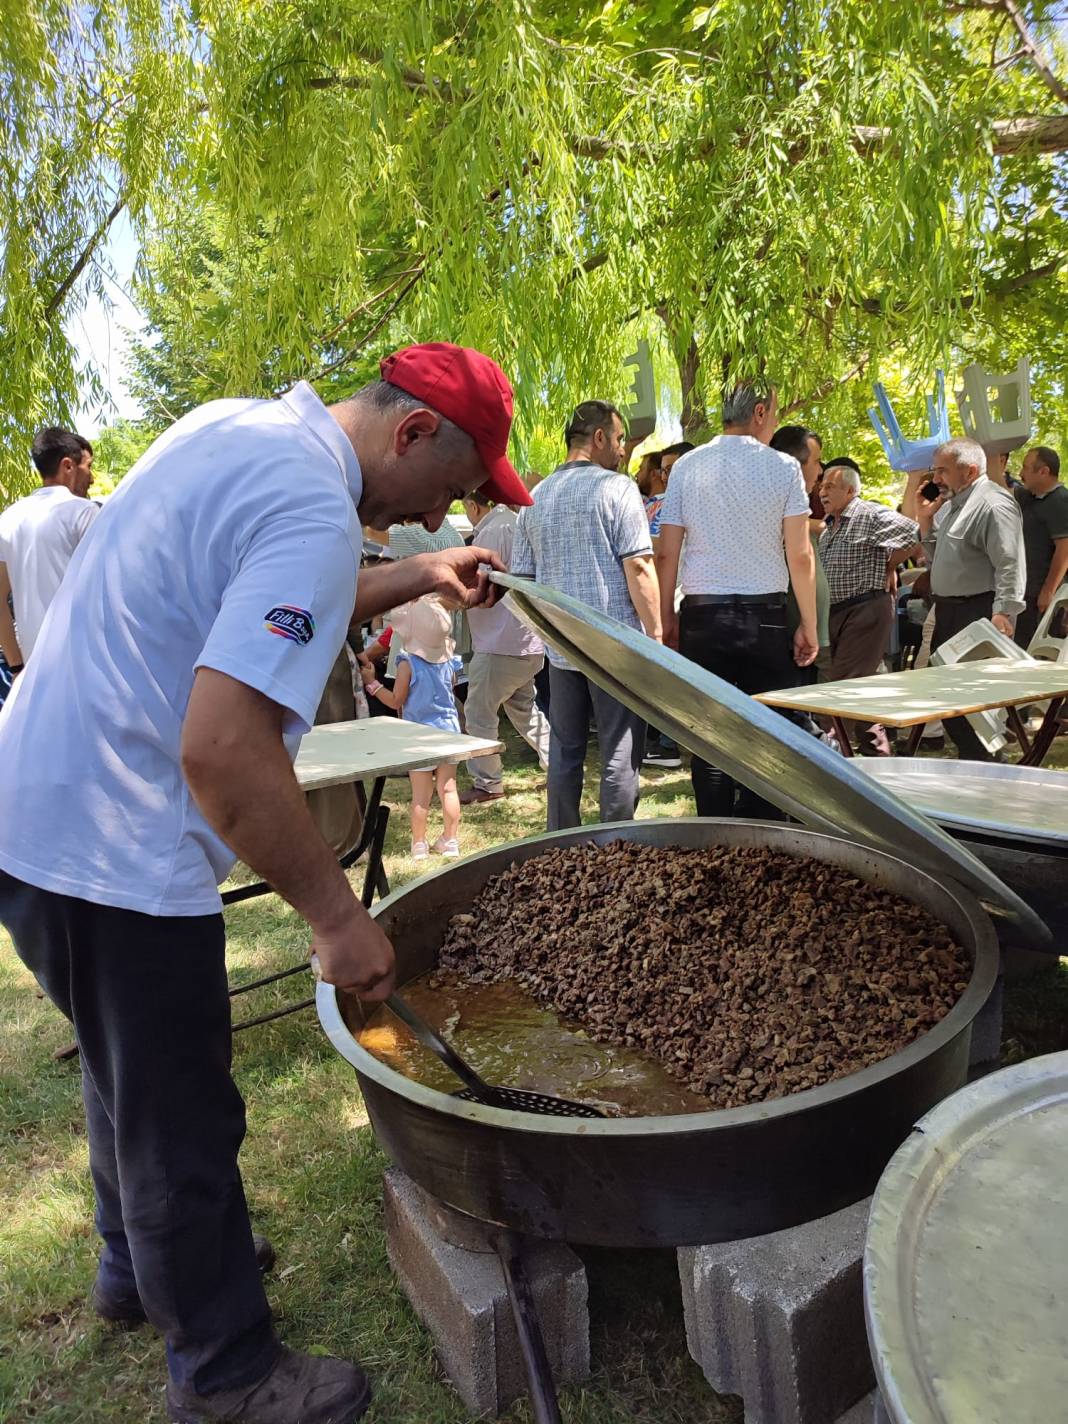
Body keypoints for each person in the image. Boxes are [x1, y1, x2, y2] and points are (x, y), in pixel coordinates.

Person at [0, 341, 528, 1424]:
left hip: (35, 810)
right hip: (114, 838)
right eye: (457, 490)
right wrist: (337, 917)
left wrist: (420, 575)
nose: (450, 515)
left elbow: (277, 582)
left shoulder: (237, 431)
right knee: (182, 1113)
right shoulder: (307, 501)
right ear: (414, 431)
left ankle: (129, 1269)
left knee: (123, 1075)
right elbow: (225, 749)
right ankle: (227, 1376)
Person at [656, 381, 818, 817]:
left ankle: (714, 832)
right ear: (760, 412)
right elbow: (800, 555)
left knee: (709, 734)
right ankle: (763, 838)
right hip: (764, 615)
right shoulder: (784, 467)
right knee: (767, 732)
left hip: (703, 616)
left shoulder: (688, 465)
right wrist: (809, 622)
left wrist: (665, 618)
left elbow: (667, 549)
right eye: (776, 415)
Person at [510, 399, 662, 830]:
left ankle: (560, 843)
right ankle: (615, 845)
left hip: (561, 648)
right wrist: (655, 635)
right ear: (598, 438)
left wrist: (548, 633)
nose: (620, 449)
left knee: (565, 749)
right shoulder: (617, 488)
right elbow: (638, 565)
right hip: (614, 646)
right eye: (617, 439)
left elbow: (523, 580)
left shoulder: (534, 497)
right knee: (618, 749)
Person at [919, 436, 1025, 760]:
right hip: (949, 611)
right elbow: (941, 559)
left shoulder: (993, 504)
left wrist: (1004, 613)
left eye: (942, 471)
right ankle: (979, 760)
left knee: (974, 701)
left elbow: (1009, 562)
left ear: (969, 470)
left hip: (978, 612)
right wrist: (925, 523)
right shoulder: (955, 504)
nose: (935, 479)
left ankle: (990, 765)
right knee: (946, 697)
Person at [818, 463, 921, 755]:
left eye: (830, 486)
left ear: (850, 490)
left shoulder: (869, 514)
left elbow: (913, 533)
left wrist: (891, 565)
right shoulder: (830, 526)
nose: (822, 491)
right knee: (862, 689)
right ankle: (878, 755)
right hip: (838, 614)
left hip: (865, 609)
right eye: (821, 485)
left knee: (841, 687)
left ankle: (827, 753)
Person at [457, 489, 550, 804]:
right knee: (524, 710)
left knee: (478, 712)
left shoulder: (496, 529)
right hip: (520, 639)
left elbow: (484, 587)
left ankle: (487, 783)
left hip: (502, 641)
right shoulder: (508, 523)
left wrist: (450, 598)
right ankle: (558, 766)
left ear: (473, 505)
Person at [362, 595, 463, 858]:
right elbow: (449, 690)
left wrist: (373, 684)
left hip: (419, 734)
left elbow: (396, 699)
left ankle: (419, 844)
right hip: (449, 730)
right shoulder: (449, 659)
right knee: (448, 788)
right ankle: (450, 841)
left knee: (421, 794)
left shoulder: (407, 663)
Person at [0, 426, 97, 672]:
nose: (92, 477)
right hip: (83, 669)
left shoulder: (9, 518)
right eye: (89, 466)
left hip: (34, 673)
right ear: (68, 466)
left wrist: (16, 667)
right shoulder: (83, 513)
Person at [770, 425, 829, 666]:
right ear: (795, 465)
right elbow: (800, 560)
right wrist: (807, 625)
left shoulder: (800, 511)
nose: (820, 469)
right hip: (793, 641)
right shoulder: (776, 513)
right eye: (816, 461)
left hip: (811, 638)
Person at [1013, 445, 1068, 648]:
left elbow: (1065, 549)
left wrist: (1049, 590)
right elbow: (999, 486)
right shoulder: (1029, 497)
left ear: (1043, 471)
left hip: (1043, 597)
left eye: (1026, 468)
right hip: (1027, 592)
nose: (1020, 473)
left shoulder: (1060, 501)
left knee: (1038, 650)